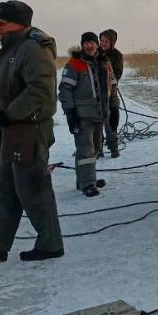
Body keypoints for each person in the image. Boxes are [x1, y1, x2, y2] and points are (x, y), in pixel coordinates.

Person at [0, 1, 64, 262]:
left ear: (19, 23)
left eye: (2, 23)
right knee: (6, 189)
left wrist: (11, 112)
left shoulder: (33, 49)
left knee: (33, 189)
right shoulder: (12, 47)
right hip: (13, 130)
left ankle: (50, 244)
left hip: (29, 130)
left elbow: (40, 90)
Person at [59, 32, 112, 197]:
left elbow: (112, 85)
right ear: (82, 45)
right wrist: (70, 113)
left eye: (92, 43)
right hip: (82, 116)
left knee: (95, 148)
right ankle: (87, 183)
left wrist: (113, 108)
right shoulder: (74, 64)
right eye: (86, 43)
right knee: (85, 150)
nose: (89, 46)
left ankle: (84, 179)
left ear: (97, 45)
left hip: (99, 114)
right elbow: (64, 90)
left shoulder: (104, 62)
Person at [99, 29, 124, 159]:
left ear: (112, 42)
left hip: (111, 90)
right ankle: (98, 148)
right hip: (96, 91)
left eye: (106, 41)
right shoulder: (94, 52)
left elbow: (118, 74)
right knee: (97, 120)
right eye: (101, 40)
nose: (103, 43)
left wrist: (107, 70)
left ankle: (113, 146)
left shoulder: (117, 55)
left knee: (112, 118)